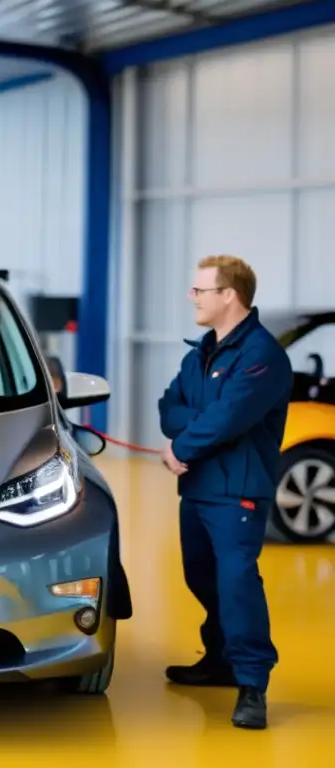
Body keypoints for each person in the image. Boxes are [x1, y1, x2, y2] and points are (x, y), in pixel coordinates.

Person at [158, 254, 292, 731]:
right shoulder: (200, 354)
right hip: (198, 487)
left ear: (228, 296)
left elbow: (231, 416)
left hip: (237, 492)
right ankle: (219, 661)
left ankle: (252, 683)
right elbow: (168, 406)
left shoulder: (263, 356)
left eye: (200, 290)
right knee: (201, 577)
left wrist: (181, 446)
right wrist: (184, 439)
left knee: (237, 585)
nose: (191, 297)